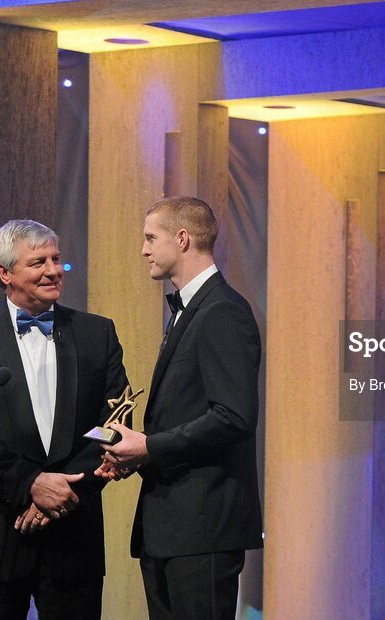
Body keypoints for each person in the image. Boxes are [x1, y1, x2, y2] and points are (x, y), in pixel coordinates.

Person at [0, 220, 127, 619]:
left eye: (56, 259)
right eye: (38, 261)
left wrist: (64, 493)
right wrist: (30, 485)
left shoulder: (98, 333)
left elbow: (111, 422)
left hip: (75, 534)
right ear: (4, 273)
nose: (53, 270)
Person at [96, 196, 262, 620]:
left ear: (183, 239)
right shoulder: (191, 309)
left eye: (151, 238)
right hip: (173, 527)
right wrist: (135, 453)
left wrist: (149, 447)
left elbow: (233, 417)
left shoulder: (222, 310)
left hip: (203, 527)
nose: (143, 249)